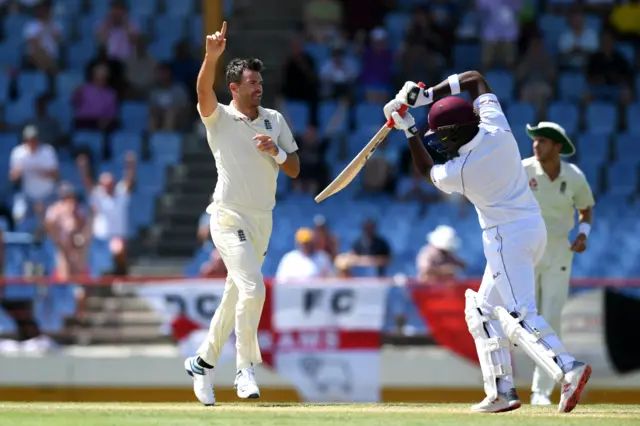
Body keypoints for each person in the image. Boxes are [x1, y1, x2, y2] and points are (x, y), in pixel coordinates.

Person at [383, 71, 591, 414]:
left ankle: (568, 368)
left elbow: (425, 170)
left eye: (440, 134)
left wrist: (410, 129)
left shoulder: (463, 168)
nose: (439, 141)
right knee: (480, 309)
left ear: (453, 134)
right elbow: (476, 79)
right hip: (530, 230)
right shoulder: (497, 127)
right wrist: (428, 96)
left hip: (506, 239)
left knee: (519, 315)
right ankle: (501, 392)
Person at [184, 21, 300, 406]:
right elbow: (202, 91)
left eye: (259, 81)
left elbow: (295, 167)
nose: (258, 86)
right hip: (228, 215)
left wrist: (276, 152)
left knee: (236, 296)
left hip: (262, 219)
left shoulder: (274, 120)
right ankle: (245, 367)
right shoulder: (218, 118)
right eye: (251, 82)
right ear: (234, 88)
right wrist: (211, 57)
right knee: (253, 288)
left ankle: (202, 362)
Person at [522, 122, 595, 406]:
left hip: (558, 251)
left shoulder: (574, 176)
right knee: (522, 318)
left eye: (542, 141)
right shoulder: (523, 169)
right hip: (526, 248)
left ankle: (541, 391)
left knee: (551, 318)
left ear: (558, 147)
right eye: (535, 140)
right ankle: (499, 386)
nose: (536, 145)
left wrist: (583, 234)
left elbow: (586, 209)